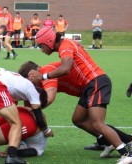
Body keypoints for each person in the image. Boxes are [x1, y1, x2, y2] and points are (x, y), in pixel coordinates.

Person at [28, 26, 132, 163]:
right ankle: (108, 142)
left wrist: (42, 76)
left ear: (48, 41)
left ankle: (126, 154)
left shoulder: (65, 45)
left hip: (96, 81)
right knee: (78, 119)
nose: (42, 50)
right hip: (89, 85)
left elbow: (65, 68)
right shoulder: (65, 45)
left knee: (97, 123)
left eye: (41, 46)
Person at [19, 60, 132, 158]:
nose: (32, 86)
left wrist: (35, 111)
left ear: (34, 73)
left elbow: (50, 97)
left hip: (94, 84)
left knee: (96, 122)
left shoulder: (46, 71)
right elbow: (29, 102)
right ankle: (105, 141)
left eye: (31, 82)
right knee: (79, 120)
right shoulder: (38, 81)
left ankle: (127, 142)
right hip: (87, 89)